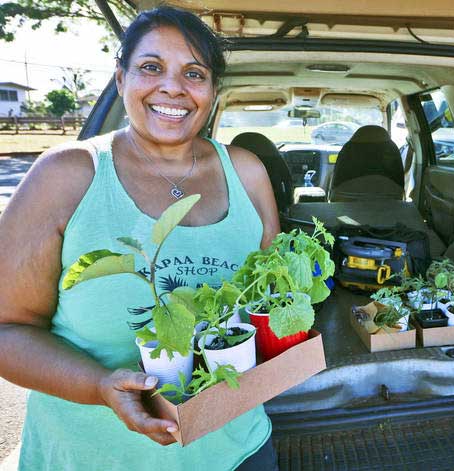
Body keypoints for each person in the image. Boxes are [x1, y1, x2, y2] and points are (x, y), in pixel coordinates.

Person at [0, 6, 280, 470]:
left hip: (238, 450)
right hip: (91, 458)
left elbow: (266, 297)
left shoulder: (247, 171)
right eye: (151, 67)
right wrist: (98, 386)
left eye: (194, 73)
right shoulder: (67, 175)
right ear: (120, 77)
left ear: (212, 91)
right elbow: (7, 329)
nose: (172, 87)